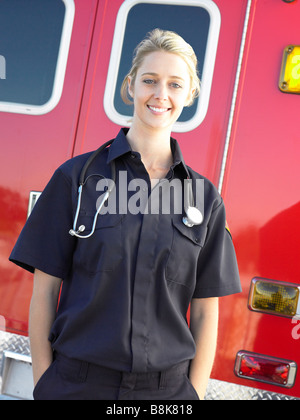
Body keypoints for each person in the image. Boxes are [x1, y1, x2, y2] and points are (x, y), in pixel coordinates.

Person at [9, 29, 241, 400]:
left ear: (190, 95)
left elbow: (205, 313)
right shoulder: (76, 178)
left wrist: (193, 396)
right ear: (131, 85)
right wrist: (44, 383)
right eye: (150, 80)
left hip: (166, 393)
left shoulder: (203, 197)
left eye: (175, 84)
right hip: (77, 384)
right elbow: (44, 292)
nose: (160, 94)